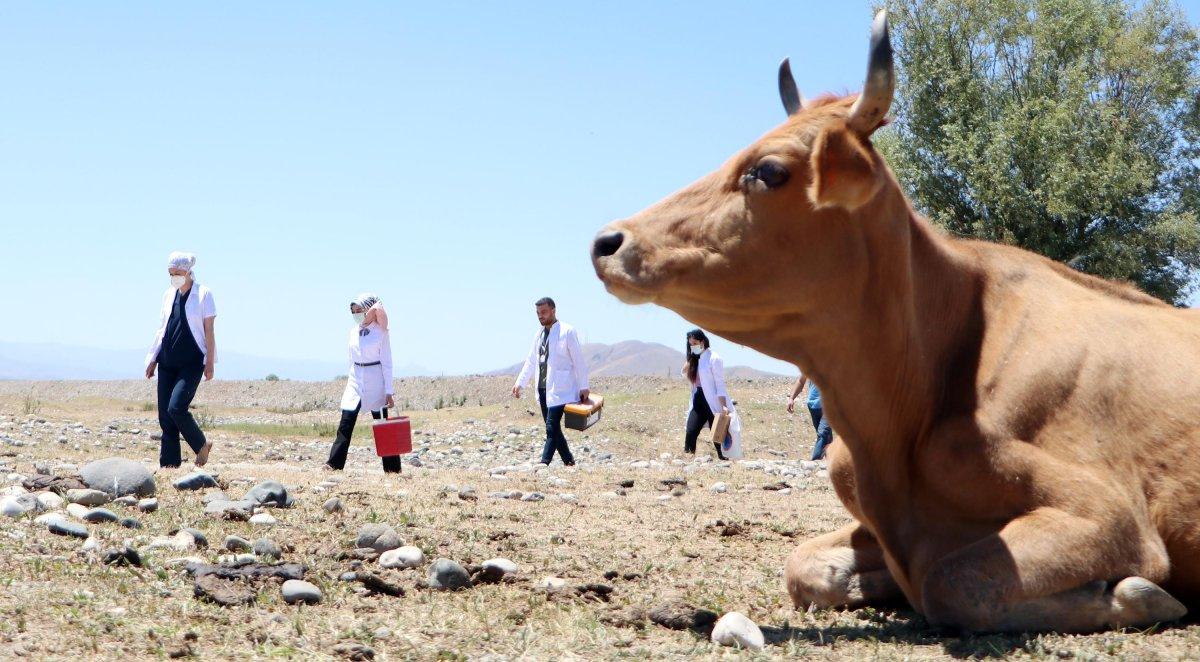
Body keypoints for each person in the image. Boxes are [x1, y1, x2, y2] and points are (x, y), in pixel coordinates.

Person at [144, 251, 217, 469]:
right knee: (165, 415)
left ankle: (201, 444)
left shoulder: (203, 294)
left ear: (188, 271)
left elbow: (209, 330)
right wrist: (153, 358)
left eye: (177, 273)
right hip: (167, 360)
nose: (174, 276)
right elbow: (162, 329)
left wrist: (210, 361)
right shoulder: (169, 295)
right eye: (171, 273)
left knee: (176, 407)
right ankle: (169, 464)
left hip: (192, 361)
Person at [326, 293, 402, 473]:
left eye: (359, 309)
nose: (356, 313)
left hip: (375, 378)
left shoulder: (381, 332)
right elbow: (350, 358)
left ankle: (392, 469)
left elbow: (387, 362)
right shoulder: (353, 331)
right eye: (353, 310)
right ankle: (334, 464)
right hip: (355, 377)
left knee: (382, 423)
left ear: (368, 310)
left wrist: (389, 390)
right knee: (346, 420)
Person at [512, 297, 589, 466]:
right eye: (538, 313)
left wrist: (584, 386)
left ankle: (543, 462)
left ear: (553, 311)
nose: (541, 316)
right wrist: (520, 383)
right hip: (543, 388)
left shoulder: (567, 331)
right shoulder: (538, 334)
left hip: (562, 388)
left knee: (551, 427)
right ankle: (569, 461)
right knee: (554, 429)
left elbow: (579, 361)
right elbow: (531, 361)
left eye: (544, 312)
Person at [682, 329, 735, 460]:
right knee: (691, 430)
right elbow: (683, 372)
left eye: (695, 343)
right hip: (698, 398)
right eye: (690, 344)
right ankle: (687, 459)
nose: (693, 346)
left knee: (717, 432)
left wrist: (723, 405)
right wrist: (691, 358)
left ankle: (724, 460)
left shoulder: (714, 358)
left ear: (702, 341)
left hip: (713, 400)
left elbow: (719, 384)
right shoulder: (695, 359)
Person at [787, 374, 834, 460]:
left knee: (822, 433)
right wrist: (791, 398)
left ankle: (814, 463)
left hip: (830, 405)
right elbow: (801, 381)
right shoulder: (810, 363)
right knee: (826, 438)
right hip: (813, 406)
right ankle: (832, 465)